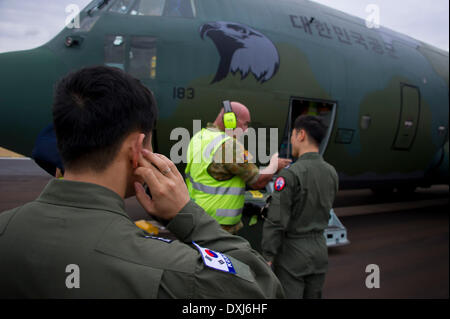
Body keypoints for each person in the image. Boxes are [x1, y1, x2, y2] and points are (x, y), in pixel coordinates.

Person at [0, 66, 284, 299]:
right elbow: (263, 291)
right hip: (219, 226)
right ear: (138, 149)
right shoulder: (175, 271)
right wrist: (189, 217)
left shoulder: (6, 230)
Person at [261, 115, 339, 299]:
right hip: (320, 249)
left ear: (301, 134)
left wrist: (267, 256)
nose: (291, 141)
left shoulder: (291, 175)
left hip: (293, 253)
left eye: (293, 136)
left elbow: (277, 219)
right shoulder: (331, 173)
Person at [185, 101, 291, 234]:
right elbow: (258, 181)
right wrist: (274, 165)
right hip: (218, 226)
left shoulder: (199, 137)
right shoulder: (228, 146)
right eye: (245, 124)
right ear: (230, 120)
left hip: (197, 218)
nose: (246, 130)